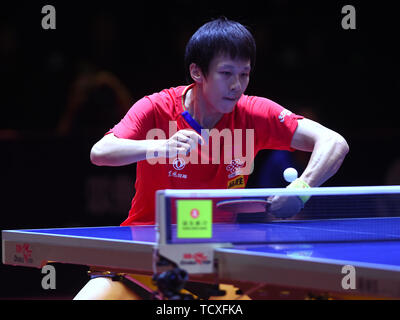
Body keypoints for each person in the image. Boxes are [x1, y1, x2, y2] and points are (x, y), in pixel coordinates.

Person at [74, 17, 349, 300]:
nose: (237, 85)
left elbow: (334, 142)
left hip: (213, 261)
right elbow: (101, 153)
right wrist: (162, 147)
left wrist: (303, 188)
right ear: (197, 71)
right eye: (226, 73)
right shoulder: (156, 107)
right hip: (145, 254)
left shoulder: (254, 113)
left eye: (244, 74)